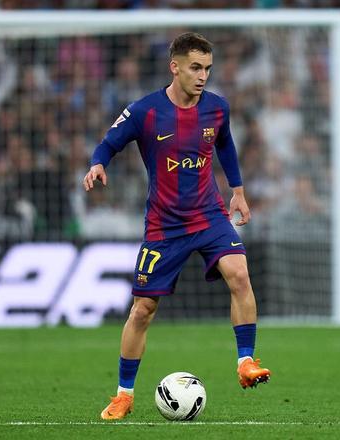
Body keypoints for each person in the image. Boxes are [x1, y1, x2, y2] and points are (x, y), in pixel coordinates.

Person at [83, 32, 271, 421]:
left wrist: (238, 192)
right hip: (164, 225)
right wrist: (98, 163)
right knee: (143, 310)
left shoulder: (217, 108)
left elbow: (225, 145)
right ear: (175, 67)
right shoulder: (145, 111)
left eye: (208, 69)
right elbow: (109, 142)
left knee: (239, 274)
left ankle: (246, 362)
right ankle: (123, 395)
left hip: (209, 215)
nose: (203, 76)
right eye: (195, 68)